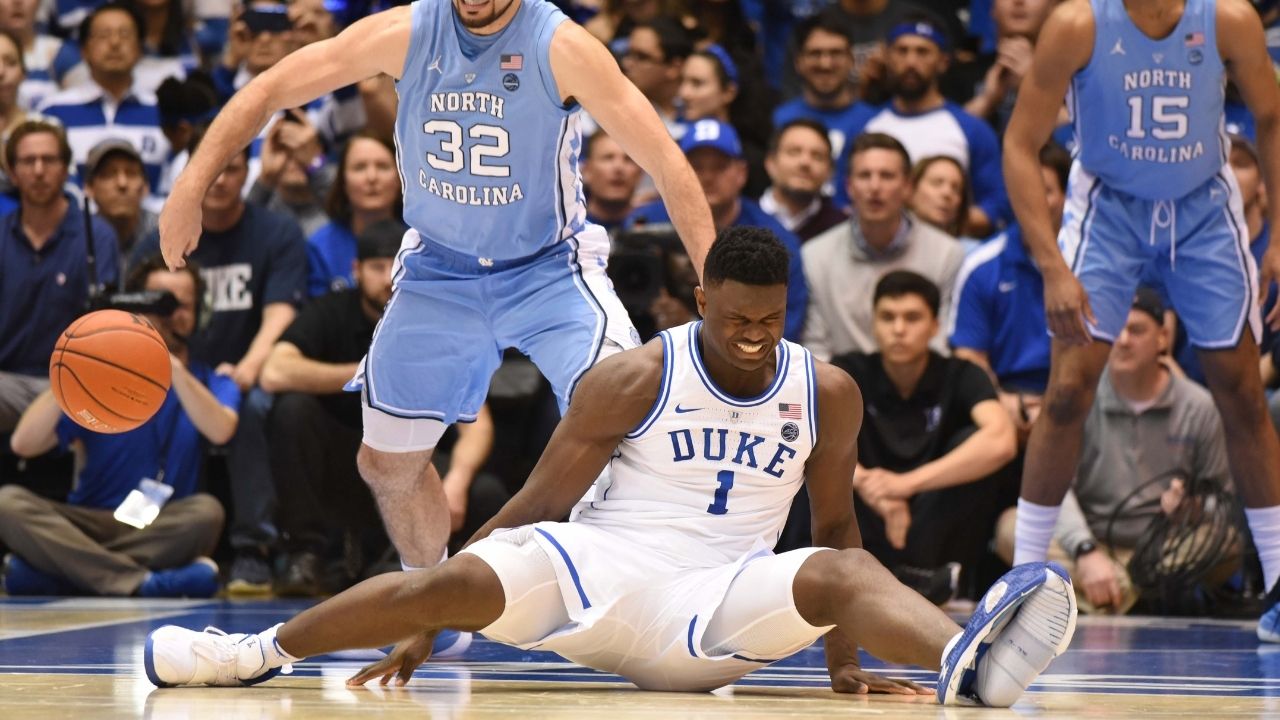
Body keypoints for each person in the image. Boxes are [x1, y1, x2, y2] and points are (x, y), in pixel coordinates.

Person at [144, 228, 1076, 710]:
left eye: (771, 320)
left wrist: (842, 665)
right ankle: (250, 657)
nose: (755, 339)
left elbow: (835, 533)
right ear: (701, 299)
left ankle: (965, 665)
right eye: (737, 318)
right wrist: (430, 617)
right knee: (451, 576)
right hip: (602, 569)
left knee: (841, 569)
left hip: (718, 604)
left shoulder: (825, 389)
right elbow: (538, 502)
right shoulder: (634, 376)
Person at [157, 0, 716, 652]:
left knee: (623, 411)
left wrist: (714, 285)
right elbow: (270, 87)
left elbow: (667, 161)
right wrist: (188, 186)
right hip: (439, 273)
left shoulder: (559, 43)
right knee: (386, 464)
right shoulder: (406, 32)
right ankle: (433, 597)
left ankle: (669, 593)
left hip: (548, 268)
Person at [1001, 0, 1280, 641]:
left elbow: (1270, 116)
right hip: (1109, 209)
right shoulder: (1078, 24)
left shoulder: (1229, 18)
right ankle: (1018, 583)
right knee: (1068, 390)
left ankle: (1276, 585)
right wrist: (1051, 267)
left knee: (1241, 392)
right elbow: (1020, 142)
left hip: (1204, 208)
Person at [134, 130, 307, 594]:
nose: (223, 179)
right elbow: (128, 307)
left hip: (237, 372)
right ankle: (131, 530)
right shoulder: (162, 233)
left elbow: (281, 310)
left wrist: (250, 365)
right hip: (166, 368)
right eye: (214, 168)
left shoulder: (275, 231)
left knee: (249, 411)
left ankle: (254, 549)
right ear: (194, 172)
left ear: (247, 172)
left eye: (234, 168)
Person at [2, 256, 232, 598]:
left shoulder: (208, 378)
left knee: (208, 513)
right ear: (137, 306)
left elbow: (221, 430)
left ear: (200, 312)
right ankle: (142, 583)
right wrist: (76, 362)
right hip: (86, 522)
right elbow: (24, 443)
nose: (170, 314)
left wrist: (164, 363)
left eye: (181, 305)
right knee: (7, 502)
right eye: (159, 302)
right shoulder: (97, 380)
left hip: (157, 524)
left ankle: (66, 575)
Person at [996, 290, 1238, 614]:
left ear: (1163, 337)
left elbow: (1220, 499)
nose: (1123, 340)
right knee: (1009, 528)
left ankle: (1095, 598)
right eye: (1114, 330)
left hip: (1163, 547)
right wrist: (1084, 550)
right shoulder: (1078, 399)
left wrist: (1192, 507)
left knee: (1229, 543)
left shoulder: (1200, 406)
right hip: (1090, 539)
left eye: (1136, 330)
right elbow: (1054, 488)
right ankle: (1134, 597)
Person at [835, 271, 1016, 600]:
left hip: (934, 523)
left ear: (934, 326)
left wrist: (906, 485)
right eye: (888, 317)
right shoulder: (849, 371)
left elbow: (1002, 440)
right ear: (873, 323)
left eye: (912, 318)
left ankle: (927, 575)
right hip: (865, 515)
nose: (899, 329)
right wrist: (868, 485)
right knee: (811, 451)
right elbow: (807, 436)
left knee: (975, 443)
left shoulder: (961, 375)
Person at [627, 118, 809, 340]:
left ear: (741, 173)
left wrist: (694, 327)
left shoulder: (775, 239)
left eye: (719, 167)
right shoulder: (642, 224)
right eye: (695, 167)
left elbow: (786, 330)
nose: (707, 176)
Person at [801, 132, 965, 359]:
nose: (875, 186)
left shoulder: (947, 253)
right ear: (849, 186)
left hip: (921, 389)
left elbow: (941, 343)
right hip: (841, 388)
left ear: (907, 186)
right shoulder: (815, 255)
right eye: (864, 175)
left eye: (887, 176)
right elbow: (815, 348)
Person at [841, 16, 1009, 235]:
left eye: (922, 52)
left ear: (943, 62)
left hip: (950, 253)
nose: (911, 61)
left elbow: (996, 207)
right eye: (902, 51)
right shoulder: (862, 126)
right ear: (888, 57)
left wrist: (940, 221)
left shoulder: (972, 129)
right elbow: (842, 200)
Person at [0, 119, 118, 432]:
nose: (39, 170)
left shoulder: (97, 234)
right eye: (28, 161)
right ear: (12, 172)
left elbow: (105, 323)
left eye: (49, 160)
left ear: (66, 169)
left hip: (75, 382)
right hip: (7, 381)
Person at [949, 143, 1070, 441]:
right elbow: (969, 356)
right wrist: (1001, 401)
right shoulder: (982, 265)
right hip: (1005, 396)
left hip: (1078, 395)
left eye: (1047, 190)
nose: (1035, 201)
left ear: (1067, 198)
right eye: (1025, 189)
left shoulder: (1094, 261)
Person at [38, 3, 169, 193]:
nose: (115, 43)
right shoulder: (53, 111)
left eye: (125, 34)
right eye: (103, 35)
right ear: (84, 50)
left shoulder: (160, 110)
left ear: (140, 48)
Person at [305, 131, 400, 296]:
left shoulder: (421, 241)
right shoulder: (319, 246)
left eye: (383, 166)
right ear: (343, 182)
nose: (372, 177)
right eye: (360, 167)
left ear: (400, 179)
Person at [759, 118, 849, 243]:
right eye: (794, 152)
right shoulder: (736, 217)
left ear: (830, 171)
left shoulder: (843, 229)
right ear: (770, 163)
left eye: (817, 156)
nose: (805, 162)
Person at [85, 137, 157, 275]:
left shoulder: (163, 233)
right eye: (109, 174)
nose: (122, 184)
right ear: (89, 188)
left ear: (146, 187)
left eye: (131, 173)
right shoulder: (79, 238)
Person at [581, 129, 641, 234]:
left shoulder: (661, 224)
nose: (618, 167)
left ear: (640, 173)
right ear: (587, 171)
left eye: (628, 159)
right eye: (608, 158)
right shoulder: (565, 232)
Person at [909, 155, 970, 240]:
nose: (947, 193)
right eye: (936, 183)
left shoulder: (975, 252)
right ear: (911, 189)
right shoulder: (888, 244)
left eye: (956, 188)